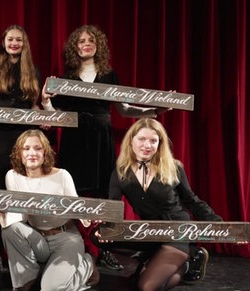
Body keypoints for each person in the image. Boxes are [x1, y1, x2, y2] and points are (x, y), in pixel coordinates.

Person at [41, 24, 161, 271]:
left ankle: (103, 248)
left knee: (104, 194)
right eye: (81, 41)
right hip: (75, 138)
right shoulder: (65, 79)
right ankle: (81, 247)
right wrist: (45, 103)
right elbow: (56, 115)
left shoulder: (110, 76)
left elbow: (124, 109)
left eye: (91, 40)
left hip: (102, 139)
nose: (86, 44)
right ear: (75, 47)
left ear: (98, 46)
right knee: (75, 193)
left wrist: (154, 110)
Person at [94, 118, 223, 291]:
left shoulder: (174, 167)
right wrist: (107, 227)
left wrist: (223, 227)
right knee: (97, 236)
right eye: (142, 139)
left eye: (153, 140)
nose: (147, 145)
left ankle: (187, 264)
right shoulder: (120, 172)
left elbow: (191, 200)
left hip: (176, 232)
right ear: (131, 140)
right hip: (149, 232)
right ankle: (151, 258)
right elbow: (114, 206)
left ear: (159, 144)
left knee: (147, 288)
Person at [0, 129, 99, 291]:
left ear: (45, 152)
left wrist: (90, 217)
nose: (32, 153)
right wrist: (3, 212)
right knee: (9, 229)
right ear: (19, 153)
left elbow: (78, 210)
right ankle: (28, 279)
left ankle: (86, 265)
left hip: (65, 239)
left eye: (37, 148)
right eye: (26, 148)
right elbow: (19, 219)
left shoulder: (62, 176)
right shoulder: (12, 176)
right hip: (38, 240)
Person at [0, 25, 41, 270]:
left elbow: (34, 106)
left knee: (25, 190)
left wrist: (44, 116)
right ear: (3, 42)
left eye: (19, 40)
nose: (14, 43)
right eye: (10, 39)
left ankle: (26, 247)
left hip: (24, 139)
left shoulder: (32, 70)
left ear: (24, 43)